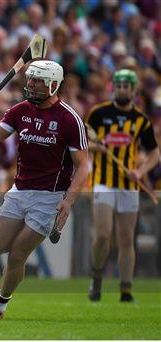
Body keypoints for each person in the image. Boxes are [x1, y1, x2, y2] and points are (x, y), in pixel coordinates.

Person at [0, 60, 89, 319]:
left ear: (54, 85)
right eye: (31, 80)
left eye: (38, 82)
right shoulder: (20, 110)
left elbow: (83, 167)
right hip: (19, 191)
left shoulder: (69, 120)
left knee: (17, 254)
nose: (31, 85)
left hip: (50, 198)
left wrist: (68, 202)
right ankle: (2, 297)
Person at [85, 69, 159, 303]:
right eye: (119, 85)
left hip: (129, 185)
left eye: (127, 86)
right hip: (103, 182)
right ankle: (96, 276)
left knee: (127, 239)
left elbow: (155, 154)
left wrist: (140, 170)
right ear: (113, 88)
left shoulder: (140, 120)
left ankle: (125, 289)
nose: (122, 89)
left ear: (133, 90)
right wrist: (96, 147)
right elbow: (83, 140)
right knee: (104, 235)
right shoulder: (98, 113)